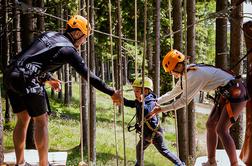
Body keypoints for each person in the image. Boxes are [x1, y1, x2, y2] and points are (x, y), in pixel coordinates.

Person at [3, 15, 121, 166]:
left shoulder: (50, 35)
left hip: (11, 73)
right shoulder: (68, 50)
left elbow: (33, 59)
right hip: (27, 78)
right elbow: (88, 75)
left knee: (23, 119)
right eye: (85, 37)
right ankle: (44, 164)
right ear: (77, 33)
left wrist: (48, 78)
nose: (84, 42)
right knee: (42, 121)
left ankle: (20, 163)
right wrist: (111, 92)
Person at [146, 49, 248, 166]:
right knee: (211, 125)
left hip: (236, 92)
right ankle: (211, 162)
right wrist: (156, 101)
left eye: (171, 71)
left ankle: (235, 164)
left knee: (221, 129)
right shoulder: (188, 72)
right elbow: (173, 93)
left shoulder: (193, 76)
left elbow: (183, 101)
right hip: (227, 91)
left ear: (179, 66)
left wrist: (161, 109)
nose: (171, 74)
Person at [123, 77, 185, 166]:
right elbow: (131, 103)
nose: (135, 93)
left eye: (137, 91)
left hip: (155, 133)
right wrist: (122, 100)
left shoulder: (151, 101)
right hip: (146, 133)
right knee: (139, 148)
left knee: (164, 150)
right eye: (134, 91)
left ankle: (180, 164)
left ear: (145, 91)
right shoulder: (141, 101)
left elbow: (147, 111)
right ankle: (139, 164)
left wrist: (141, 102)